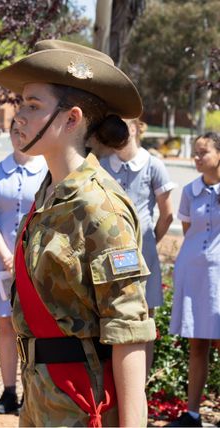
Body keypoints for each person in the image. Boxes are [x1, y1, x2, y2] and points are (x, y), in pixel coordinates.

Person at [0, 39, 156, 427]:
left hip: (82, 401)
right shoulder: (47, 193)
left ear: (71, 119)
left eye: (33, 106)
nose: (19, 117)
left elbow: (129, 330)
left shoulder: (100, 207)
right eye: (21, 104)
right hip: (40, 395)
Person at [0, 118, 47, 414]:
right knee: (6, 325)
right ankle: (8, 392)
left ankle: (32, 395)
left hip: (34, 263)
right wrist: (7, 256)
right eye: (15, 132)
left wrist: (24, 257)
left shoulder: (47, 170)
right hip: (1, 262)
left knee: (34, 328)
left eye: (25, 131)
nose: (20, 136)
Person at [99, 118, 175, 376]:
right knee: (110, 315)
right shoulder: (102, 165)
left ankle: (140, 385)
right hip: (108, 253)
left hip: (143, 255)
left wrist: (147, 242)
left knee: (144, 318)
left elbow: (167, 214)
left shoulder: (153, 165)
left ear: (134, 128)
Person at [168, 132, 220, 427]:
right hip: (195, 274)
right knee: (198, 344)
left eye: (203, 152)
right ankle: (192, 414)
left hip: (218, 278)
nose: (197, 157)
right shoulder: (190, 190)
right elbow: (190, 232)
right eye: (196, 152)